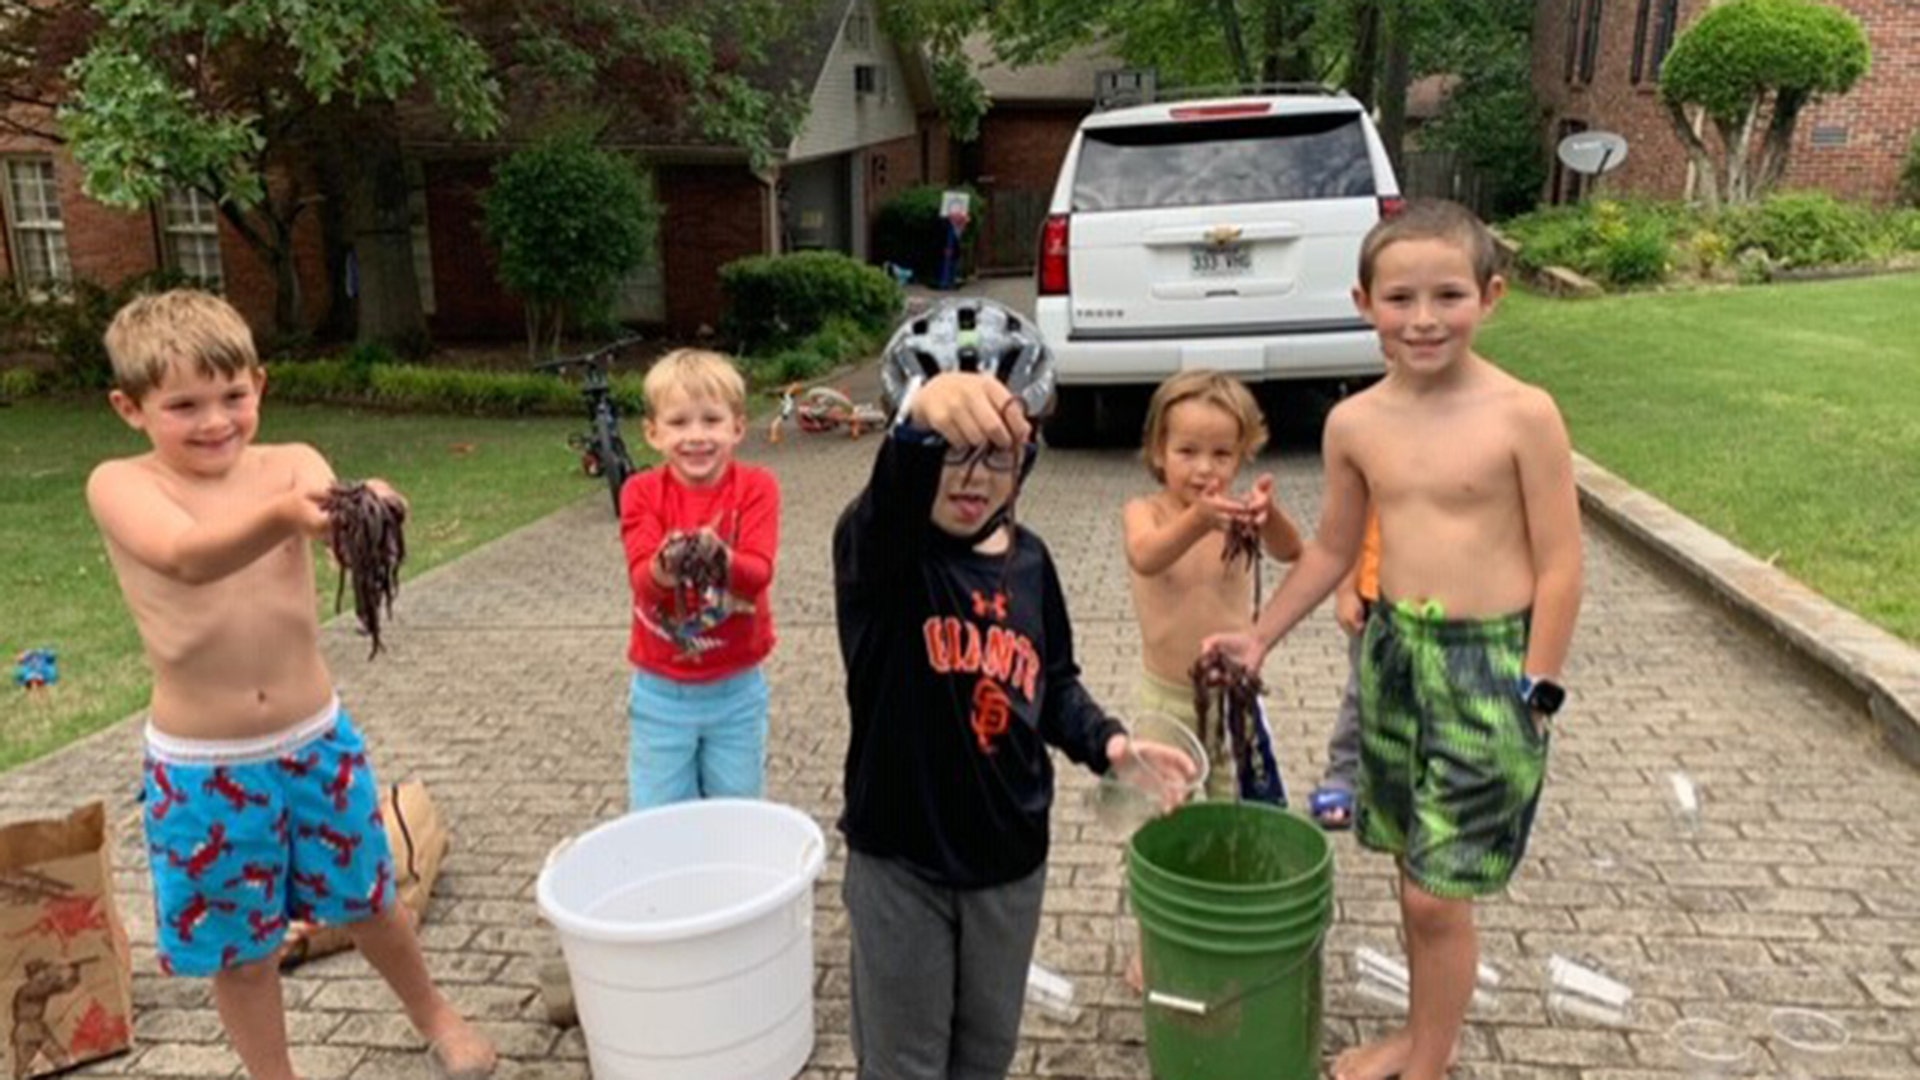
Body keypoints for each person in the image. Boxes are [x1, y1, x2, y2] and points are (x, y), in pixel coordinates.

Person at [1205, 199, 1583, 1080]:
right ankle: (1423, 1037)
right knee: (1412, 867)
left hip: (1488, 668)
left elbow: (1562, 565)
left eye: (1447, 295)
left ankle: (1427, 1058)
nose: (1423, 319)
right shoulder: (1355, 424)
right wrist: (1258, 637)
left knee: (1436, 891)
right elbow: (1336, 547)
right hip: (1391, 660)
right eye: (1400, 297)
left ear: (1491, 296)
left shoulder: (1524, 415)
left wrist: (1540, 687)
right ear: (1362, 300)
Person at [85, 290, 494, 1080]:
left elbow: (340, 544)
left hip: (316, 742)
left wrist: (373, 509)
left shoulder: (295, 463)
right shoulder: (121, 484)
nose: (215, 421)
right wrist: (287, 516)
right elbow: (186, 554)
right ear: (129, 408)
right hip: (203, 769)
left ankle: (436, 1014)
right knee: (242, 953)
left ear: (260, 386)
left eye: (233, 396)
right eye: (183, 405)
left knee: (372, 901)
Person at [834, 298, 1196, 1080]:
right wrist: (920, 420)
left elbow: (1053, 681)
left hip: (1010, 859)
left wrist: (1109, 743)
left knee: (984, 1054)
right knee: (904, 1063)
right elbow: (887, 505)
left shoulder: (1030, 562)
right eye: (949, 453)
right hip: (902, 860)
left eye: (996, 454)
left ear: (1026, 457)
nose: (971, 477)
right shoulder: (882, 559)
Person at [1124, 369, 1303, 802]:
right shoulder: (1145, 511)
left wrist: (1269, 514)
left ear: (1242, 456)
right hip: (1165, 701)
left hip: (1232, 698)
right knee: (1161, 809)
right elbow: (1145, 555)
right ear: (1159, 452)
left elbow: (1291, 550)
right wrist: (1198, 520)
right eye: (1187, 451)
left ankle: (1232, 863)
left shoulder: (1238, 516)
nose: (1205, 468)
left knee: (1239, 804)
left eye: (1222, 454)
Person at [621, 348, 779, 810]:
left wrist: (718, 556)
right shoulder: (640, 492)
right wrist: (668, 563)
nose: (696, 436)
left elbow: (757, 575)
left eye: (711, 420)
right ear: (653, 433)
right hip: (659, 692)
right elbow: (643, 582)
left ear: (737, 428)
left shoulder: (757, 487)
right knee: (658, 815)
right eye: (679, 422)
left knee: (736, 811)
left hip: (737, 689)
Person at [1309, 508, 1381, 831]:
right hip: (1378, 589)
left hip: (1457, 600)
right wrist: (1346, 590)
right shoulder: (1379, 455)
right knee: (1363, 690)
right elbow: (1352, 517)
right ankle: (1344, 772)